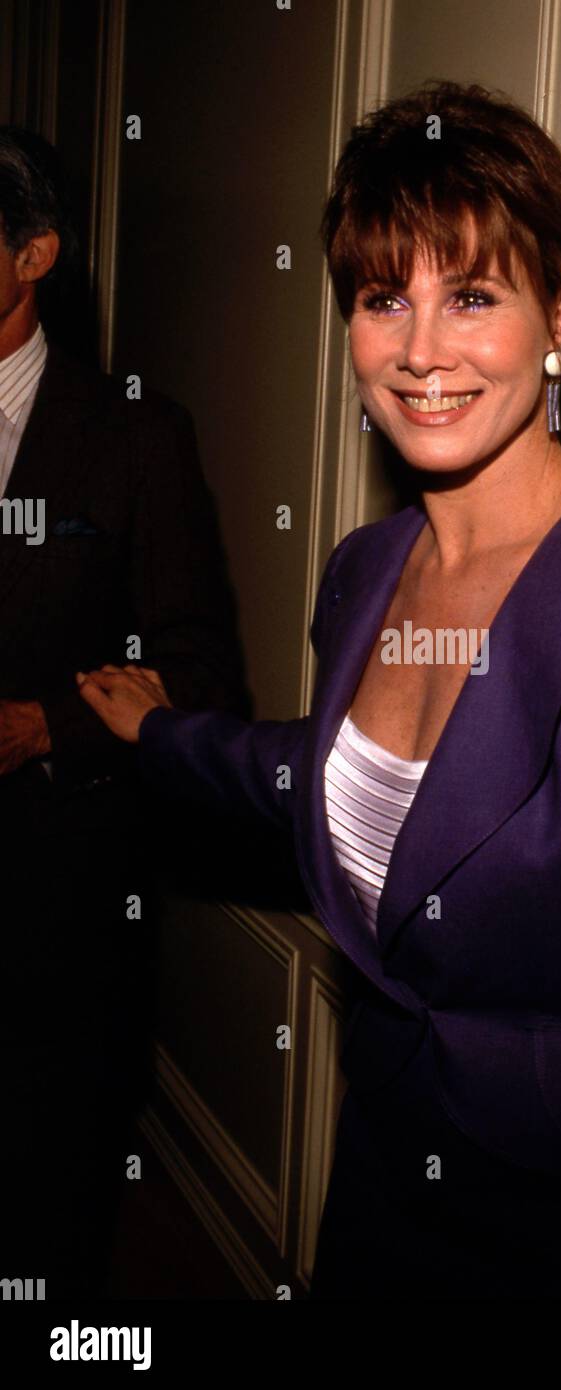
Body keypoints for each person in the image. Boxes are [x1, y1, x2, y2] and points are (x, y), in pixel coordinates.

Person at [77, 81, 561, 1301]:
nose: (418, 351)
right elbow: (329, 772)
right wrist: (158, 730)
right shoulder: (364, 571)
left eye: (470, 296)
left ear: (557, 312)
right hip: (377, 1182)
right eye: (380, 300)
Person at [0, 125, 247, 1298]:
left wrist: (47, 726)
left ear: (33, 252)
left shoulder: (138, 440)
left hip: (55, 903)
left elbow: (200, 675)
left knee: (45, 1205)